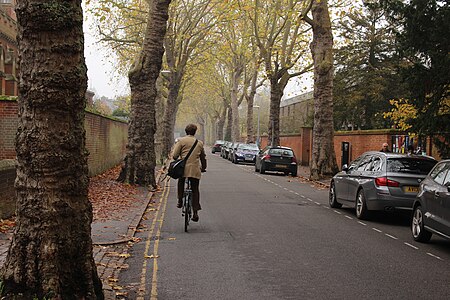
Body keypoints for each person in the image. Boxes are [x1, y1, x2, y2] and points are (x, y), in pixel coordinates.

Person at [172, 124, 207, 222]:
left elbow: (174, 156)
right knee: (195, 189)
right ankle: (195, 212)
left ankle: (179, 201)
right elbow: (203, 158)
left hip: (182, 169)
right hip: (195, 169)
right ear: (195, 132)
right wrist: (203, 167)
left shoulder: (181, 141)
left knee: (181, 182)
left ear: (185, 131)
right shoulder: (199, 143)